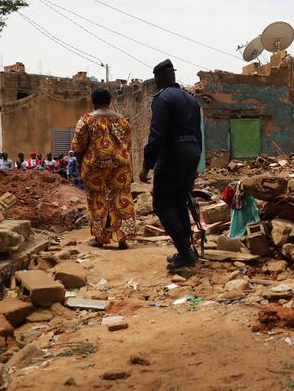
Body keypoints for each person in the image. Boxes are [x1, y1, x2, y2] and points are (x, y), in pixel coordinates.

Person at [139, 59, 201, 270]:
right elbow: (198, 134)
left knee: (162, 203)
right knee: (179, 201)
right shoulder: (191, 100)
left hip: (174, 152)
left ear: (161, 77)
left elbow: (157, 135)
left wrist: (147, 164)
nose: (155, 83)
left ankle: (185, 253)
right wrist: (196, 162)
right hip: (192, 152)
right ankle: (188, 250)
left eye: (156, 79)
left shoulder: (162, 98)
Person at [72, 88, 136, 249]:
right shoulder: (122, 121)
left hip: (94, 167)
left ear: (93, 102)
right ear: (109, 101)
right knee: (121, 198)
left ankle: (100, 239)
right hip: (120, 165)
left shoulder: (86, 121)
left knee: (98, 200)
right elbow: (127, 145)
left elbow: (78, 147)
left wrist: (81, 163)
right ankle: (122, 239)